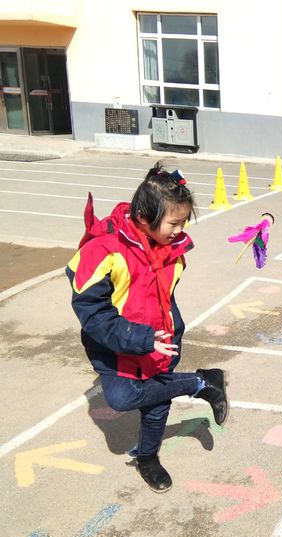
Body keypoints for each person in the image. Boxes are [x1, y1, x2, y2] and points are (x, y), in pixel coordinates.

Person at [66, 163, 229, 493]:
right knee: (122, 397)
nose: (179, 230)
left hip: (159, 340)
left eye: (183, 222)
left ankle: (148, 458)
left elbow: (165, 297)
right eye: (174, 222)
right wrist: (139, 338)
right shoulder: (103, 250)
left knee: (156, 403)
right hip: (116, 344)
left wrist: (168, 332)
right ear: (143, 216)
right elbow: (92, 312)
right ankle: (201, 382)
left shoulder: (173, 250)